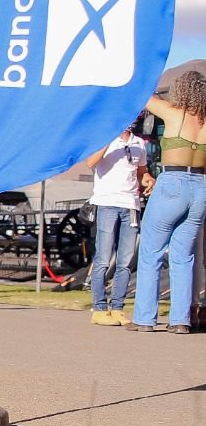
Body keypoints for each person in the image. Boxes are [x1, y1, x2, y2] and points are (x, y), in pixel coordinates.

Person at [131, 71, 206, 333]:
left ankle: (144, 318)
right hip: (200, 186)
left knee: (151, 252)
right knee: (184, 257)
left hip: (172, 181)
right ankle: (181, 320)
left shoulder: (174, 112)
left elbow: (141, 96)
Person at [86, 116, 152, 326]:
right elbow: (91, 162)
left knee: (125, 261)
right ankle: (99, 307)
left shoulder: (139, 143)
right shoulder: (102, 137)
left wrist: (148, 179)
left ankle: (118, 308)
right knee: (103, 258)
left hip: (130, 205)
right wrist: (109, 136)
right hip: (107, 203)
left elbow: (141, 172)